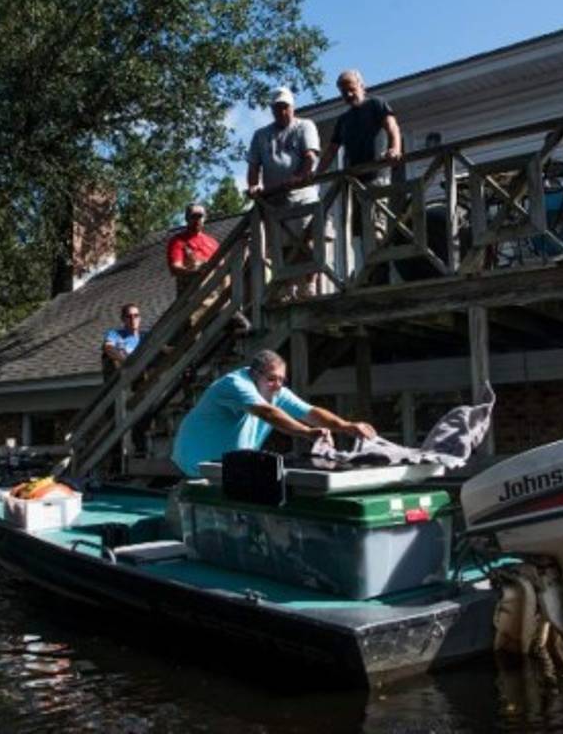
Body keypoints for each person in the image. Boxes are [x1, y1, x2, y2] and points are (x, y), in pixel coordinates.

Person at [171, 349, 377, 478]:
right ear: (254, 374)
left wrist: (347, 426)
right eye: (272, 379)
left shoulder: (276, 391)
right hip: (196, 463)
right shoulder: (236, 384)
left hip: (230, 466)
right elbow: (268, 414)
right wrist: (307, 432)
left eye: (281, 379)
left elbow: (310, 412)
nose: (277, 385)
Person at [247, 86, 323, 300]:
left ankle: (309, 285)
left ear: (292, 107)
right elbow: (253, 166)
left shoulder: (304, 126)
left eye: (285, 107)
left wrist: (298, 177)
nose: (282, 111)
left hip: (301, 195)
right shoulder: (261, 135)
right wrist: (254, 186)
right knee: (280, 245)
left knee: (307, 240)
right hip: (275, 199)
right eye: (277, 107)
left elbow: (310, 157)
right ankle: (287, 287)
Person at [316, 69, 402, 181]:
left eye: (352, 89)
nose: (349, 94)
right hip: (353, 180)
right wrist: (316, 173)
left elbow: (392, 127)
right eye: (344, 92)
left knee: (375, 198)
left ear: (362, 86)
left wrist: (395, 149)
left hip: (377, 175)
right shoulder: (343, 120)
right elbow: (331, 151)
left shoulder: (375, 104)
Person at [166, 203, 220, 295]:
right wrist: (196, 272)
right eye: (194, 216)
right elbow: (175, 268)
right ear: (187, 218)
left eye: (200, 216)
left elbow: (222, 264)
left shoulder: (213, 243)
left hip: (215, 291)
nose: (197, 220)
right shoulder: (178, 241)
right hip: (192, 294)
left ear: (205, 218)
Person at [101, 303, 143, 378]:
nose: (132, 319)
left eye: (136, 316)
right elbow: (108, 348)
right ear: (123, 319)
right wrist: (127, 361)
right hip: (124, 375)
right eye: (129, 316)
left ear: (139, 318)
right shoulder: (115, 334)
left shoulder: (146, 336)